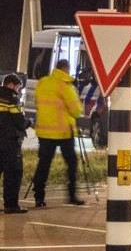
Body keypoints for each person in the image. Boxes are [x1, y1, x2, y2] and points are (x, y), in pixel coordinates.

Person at [28, 59, 85, 207]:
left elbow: (37, 102)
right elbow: (77, 110)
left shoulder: (42, 82)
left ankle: (39, 197)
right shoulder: (65, 85)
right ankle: (72, 195)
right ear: (66, 69)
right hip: (64, 131)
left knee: (44, 164)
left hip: (44, 132)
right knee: (72, 163)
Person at [0, 74, 29, 214]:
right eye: (18, 87)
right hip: (10, 142)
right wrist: (28, 123)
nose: (18, 90)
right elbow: (19, 121)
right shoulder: (12, 98)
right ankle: (11, 205)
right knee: (13, 173)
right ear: (11, 85)